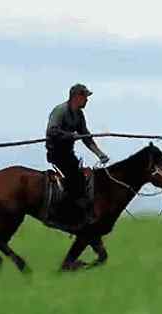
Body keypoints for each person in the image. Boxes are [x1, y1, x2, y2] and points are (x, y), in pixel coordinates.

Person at [45, 83, 110, 226]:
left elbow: (86, 137)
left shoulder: (79, 115)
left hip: (69, 155)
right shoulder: (60, 111)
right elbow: (52, 131)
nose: (87, 100)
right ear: (76, 97)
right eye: (85, 97)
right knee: (75, 180)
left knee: (86, 179)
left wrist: (100, 154)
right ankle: (60, 213)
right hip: (56, 154)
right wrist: (70, 135)